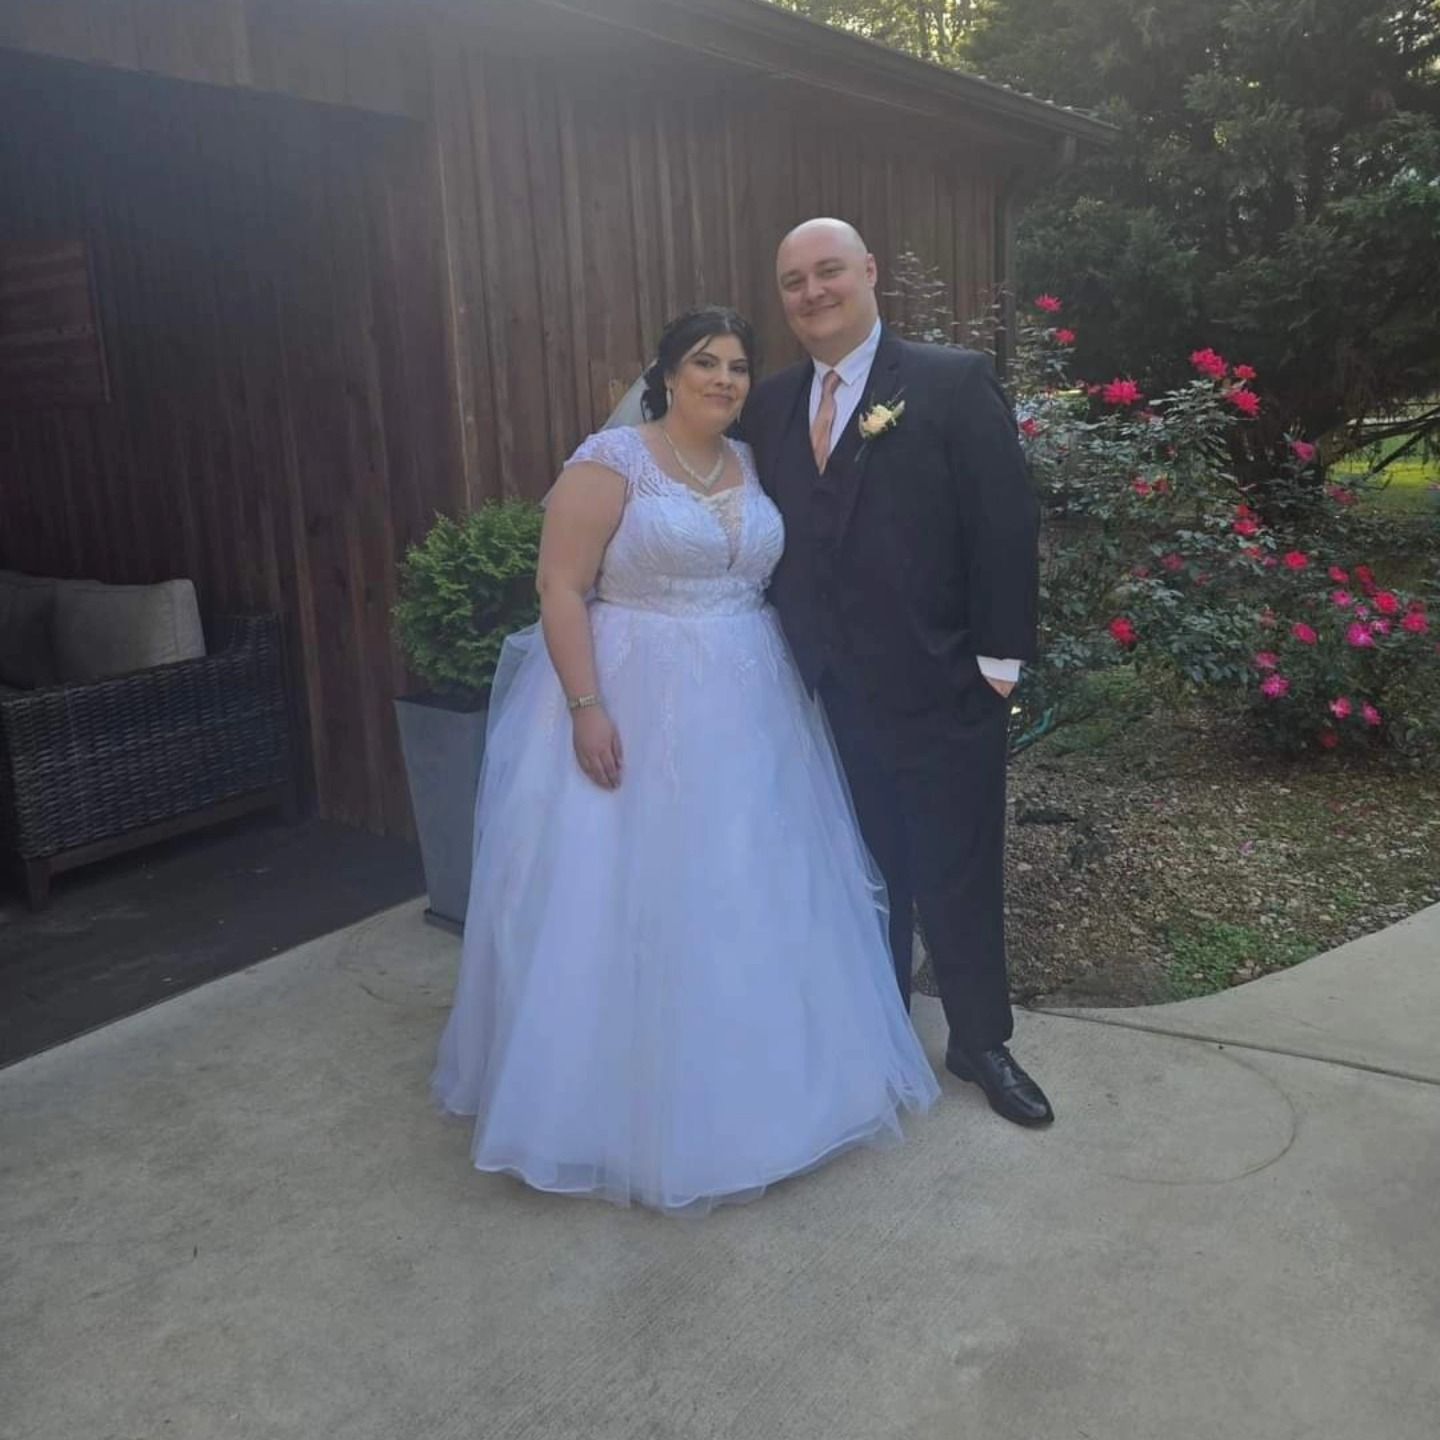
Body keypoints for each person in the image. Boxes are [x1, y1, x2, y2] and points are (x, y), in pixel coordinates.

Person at [431, 306, 939, 1215]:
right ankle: (612, 1110)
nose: (725, 379)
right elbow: (559, 586)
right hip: (636, 693)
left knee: (750, 887)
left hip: (753, 704)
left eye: (739, 366)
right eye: (705, 362)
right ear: (664, 374)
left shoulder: (748, 463)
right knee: (630, 894)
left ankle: (772, 1092)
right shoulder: (611, 460)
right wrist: (586, 707)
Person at [742, 219, 1054, 1127]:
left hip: (945, 683)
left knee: (956, 864)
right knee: (859, 869)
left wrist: (998, 666)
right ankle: (872, 1030)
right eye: (793, 279)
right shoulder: (767, 405)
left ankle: (979, 1040)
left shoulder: (950, 382)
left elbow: (1004, 525)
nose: (812, 292)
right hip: (823, 696)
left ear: (869, 273)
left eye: (828, 271)